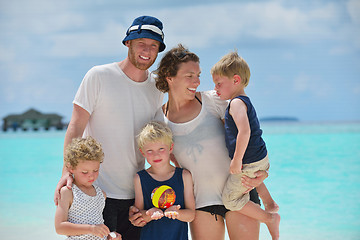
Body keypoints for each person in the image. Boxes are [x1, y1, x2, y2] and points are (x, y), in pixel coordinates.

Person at [129, 44, 268, 240]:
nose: (197, 81)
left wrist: (261, 178)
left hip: (240, 195)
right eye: (189, 76)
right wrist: (142, 207)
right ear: (169, 77)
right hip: (202, 203)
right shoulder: (160, 120)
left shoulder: (214, 101)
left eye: (198, 75)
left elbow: (248, 140)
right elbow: (167, 168)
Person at [54, 16, 165, 240]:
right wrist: (67, 172)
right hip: (95, 191)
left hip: (136, 195)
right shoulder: (99, 76)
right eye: (141, 43)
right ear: (128, 43)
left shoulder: (157, 88)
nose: (147, 50)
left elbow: (158, 143)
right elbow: (75, 126)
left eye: (153, 45)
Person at [211, 51, 280, 239]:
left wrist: (236, 160)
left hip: (248, 160)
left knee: (231, 200)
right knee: (252, 179)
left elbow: (245, 131)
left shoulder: (236, 103)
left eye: (218, 83)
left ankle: (269, 218)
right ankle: (269, 202)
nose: (215, 88)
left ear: (235, 80)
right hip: (259, 158)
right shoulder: (244, 102)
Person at [134, 121, 195, 239]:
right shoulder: (140, 178)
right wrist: (150, 214)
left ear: (170, 147)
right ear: (142, 152)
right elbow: (139, 215)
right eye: (150, 151)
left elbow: (191, 214)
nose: (156, 155)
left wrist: (176, 213)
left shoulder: (184, 176)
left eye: (161, 149)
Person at [55, 136, 121, 240]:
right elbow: (60, 227)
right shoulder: (68, 192)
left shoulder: (101, 195)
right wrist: (91, 229)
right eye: (85, 172)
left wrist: (109, 237)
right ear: (71, 168)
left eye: (95, 170)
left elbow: (98, 229)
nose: (91, 176)